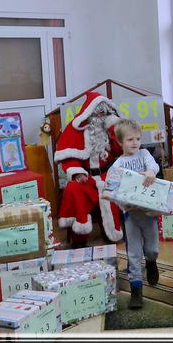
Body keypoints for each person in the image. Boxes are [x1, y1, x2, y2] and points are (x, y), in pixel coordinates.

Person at [54, 92, 124, 247]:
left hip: (109, 173)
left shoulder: (112, 128)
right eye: (97, 112)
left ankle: (111, 232)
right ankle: (79, 236)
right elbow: (68, 156)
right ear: (89, 112)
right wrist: (77, 172)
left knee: (114, 190)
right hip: (87, 176)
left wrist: (114, 128)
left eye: (104, 113)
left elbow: (123, 151)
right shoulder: (77, 129)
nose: (100, 116)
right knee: (74, 188)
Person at [107, 118, 160, 309]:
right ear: (120, 142)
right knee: (133, 253)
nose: (135, 142)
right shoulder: (117, 165)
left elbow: (153, 165)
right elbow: (111, 189)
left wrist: (151, 172)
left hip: (149, 214)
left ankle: (152, 262)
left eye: (137, 138)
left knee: (152, 249)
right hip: (130, 216)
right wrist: (122, 204)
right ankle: (136, 289)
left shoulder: (145, 154)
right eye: (130, 139)